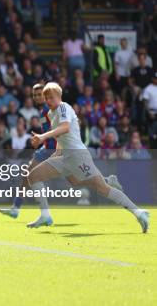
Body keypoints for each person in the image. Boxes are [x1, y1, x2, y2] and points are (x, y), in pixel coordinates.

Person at [27, 83, 149, 233]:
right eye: (46, 98)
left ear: (59, 97)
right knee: (35, 176)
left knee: (102, 189)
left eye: (51, 97)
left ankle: (138, 212)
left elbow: (65, 127)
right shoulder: (51, 114)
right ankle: (45, 215)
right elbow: (60, 136)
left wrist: (42, 136)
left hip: (78, 155)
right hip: (65, 156)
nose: (48, 100)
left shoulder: (64, 107)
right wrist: (57, 153)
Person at [0, 84, 56, 226]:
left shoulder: (49, 109)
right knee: (27, 176)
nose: (36, 97)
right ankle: (16, 209)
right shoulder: (42, 111)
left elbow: (58, 129)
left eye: (38, 94)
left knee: (79, 178)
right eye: (34, 95)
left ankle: (108, 183)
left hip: (54, 149)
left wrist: (43, 139)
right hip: (46, 148)